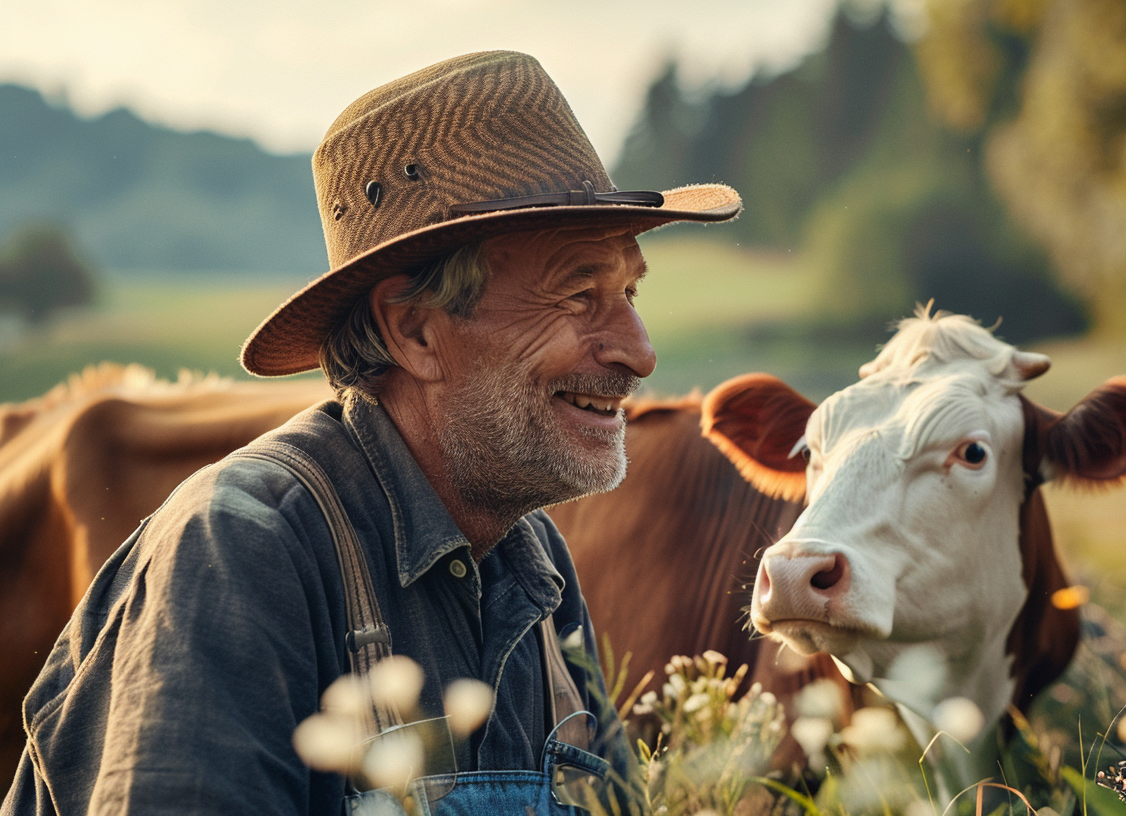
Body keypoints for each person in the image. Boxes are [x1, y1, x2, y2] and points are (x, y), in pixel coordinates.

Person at [3, 51, 741, 814]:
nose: (640, 350)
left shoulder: (535, 566)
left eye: (628, 292)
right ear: (415, 332)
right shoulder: (241, 547)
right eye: (580, 295)